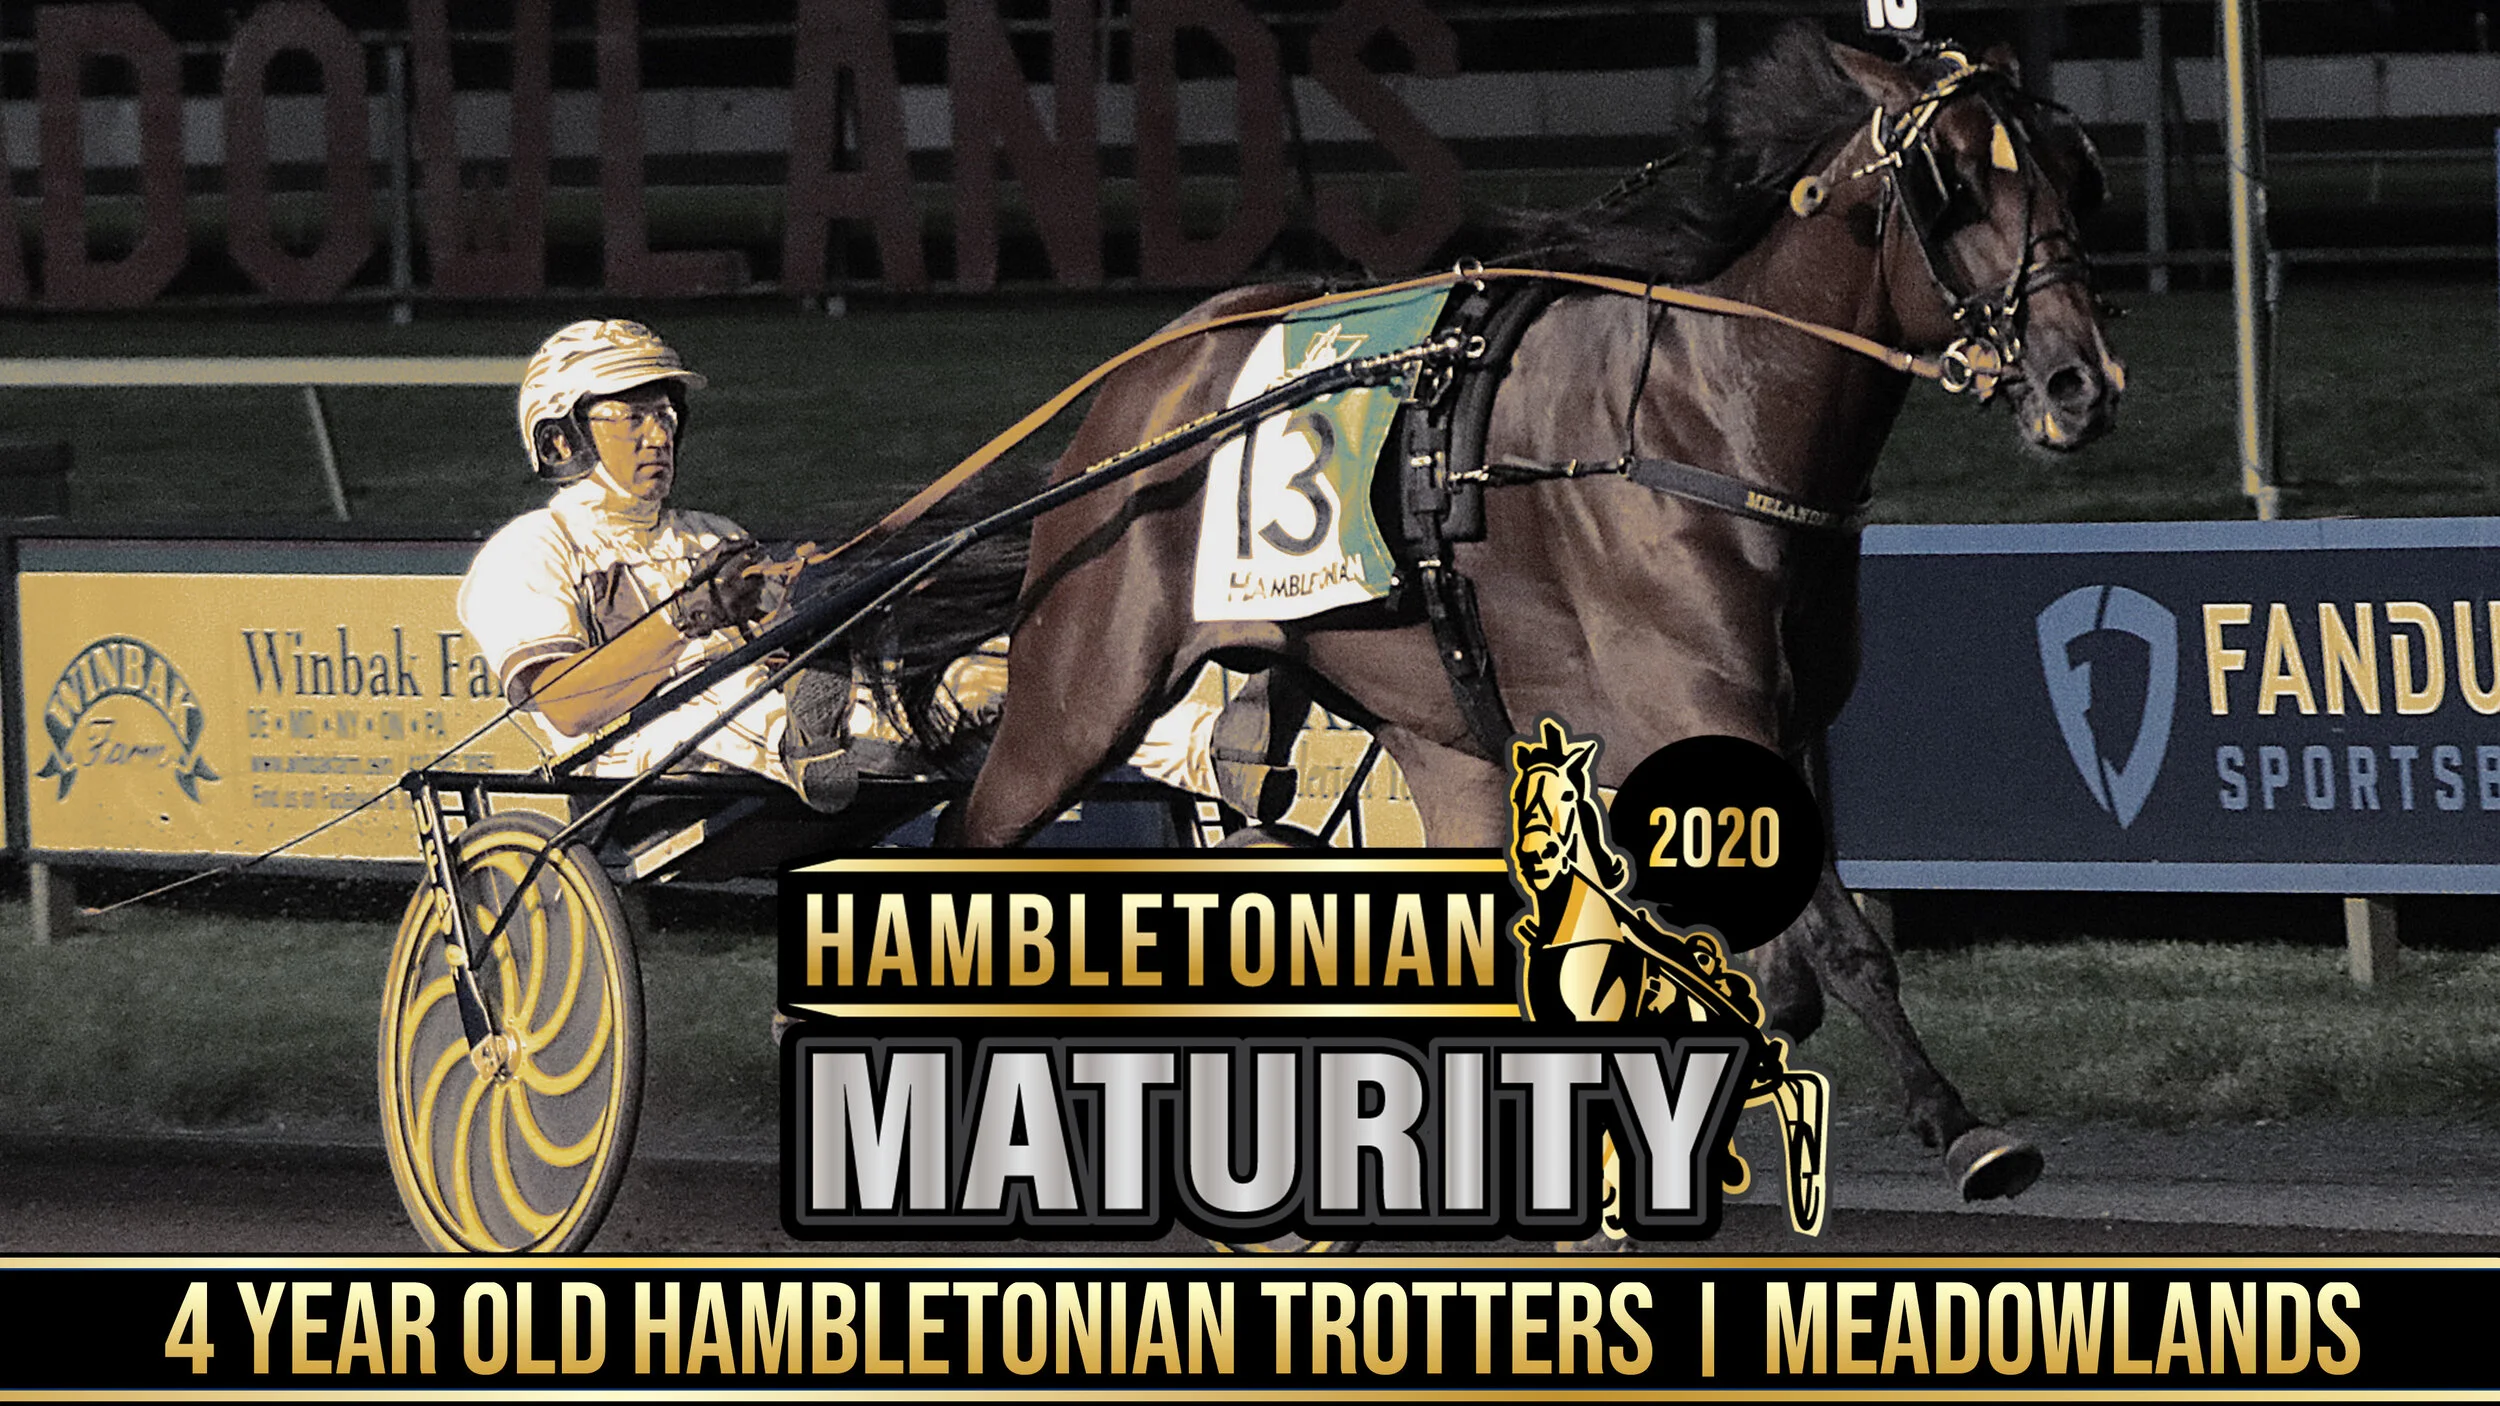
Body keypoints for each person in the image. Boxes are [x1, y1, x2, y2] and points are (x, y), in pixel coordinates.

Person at [457, 317, 1236, 816]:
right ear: (562, 438)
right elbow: (564, 706)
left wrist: (811, 595)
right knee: (716, 683)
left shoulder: (713, 534)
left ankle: (1207, 747)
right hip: (631, 762)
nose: (659, 435)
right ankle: (815, 731)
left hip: (777, 720)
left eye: (666, 414)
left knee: (980, 669)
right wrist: (691, 619)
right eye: (632, 416)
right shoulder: (528, 551)